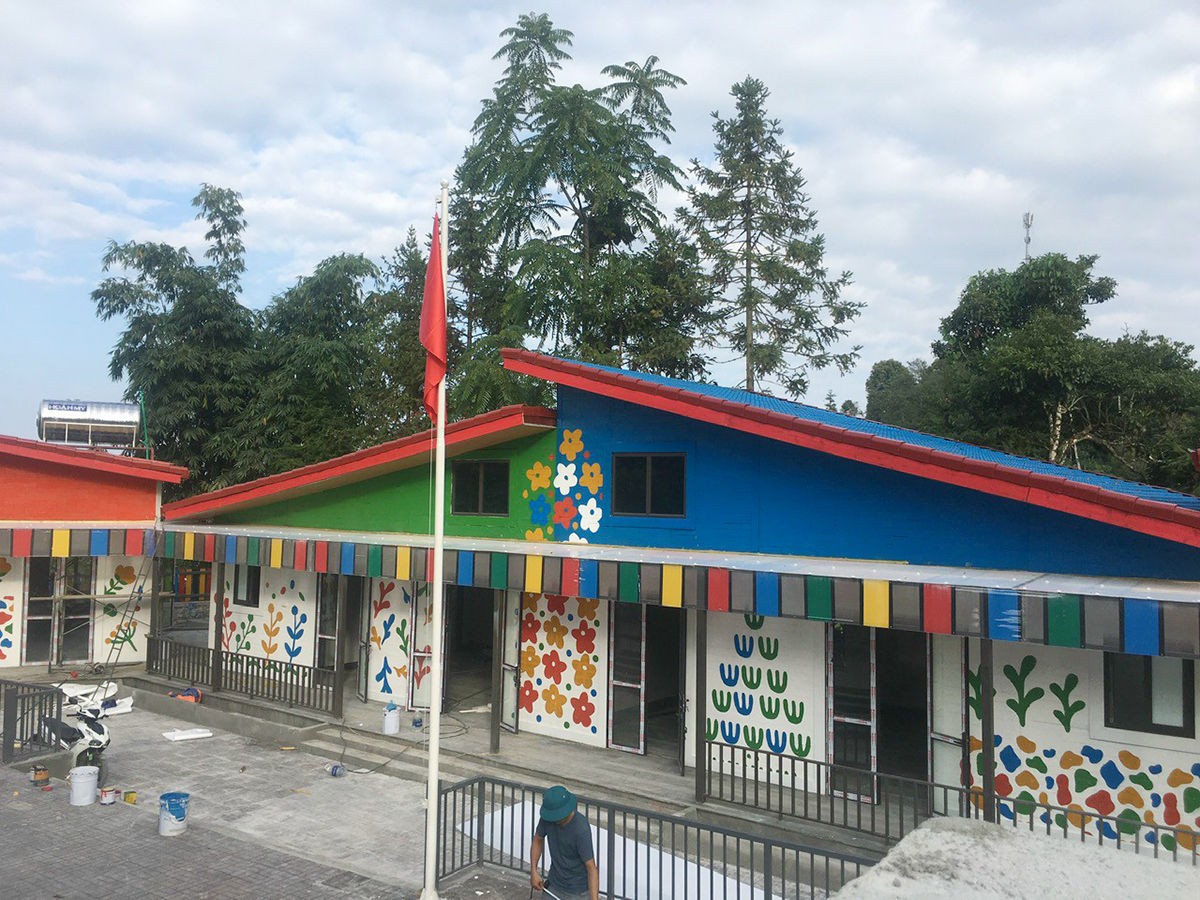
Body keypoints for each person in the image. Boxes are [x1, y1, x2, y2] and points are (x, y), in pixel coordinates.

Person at [529, 785, 599, 900]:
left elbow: (591, 868)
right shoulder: (548, 818)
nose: (553, 820)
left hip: (578, 892)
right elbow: (537, 840)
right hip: (554, 885)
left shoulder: (581, 829)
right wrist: (533, 871)